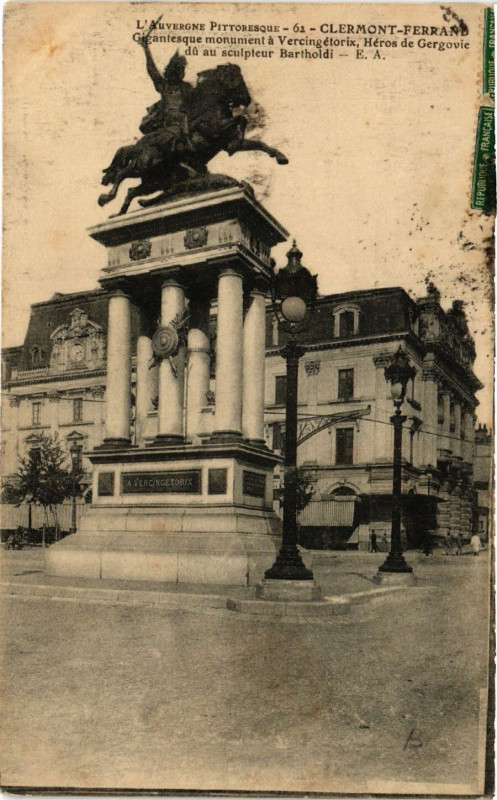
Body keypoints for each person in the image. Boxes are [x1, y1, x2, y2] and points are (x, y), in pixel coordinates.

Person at [138, 38, 194, 154]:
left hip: (185, 123)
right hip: (168, 124)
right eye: (179, 70)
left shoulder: (186, 87)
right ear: (172, 71)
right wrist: (146, 49)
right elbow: (152, 70)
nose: (182, 73)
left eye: (182, 70)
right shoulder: (164, 86)